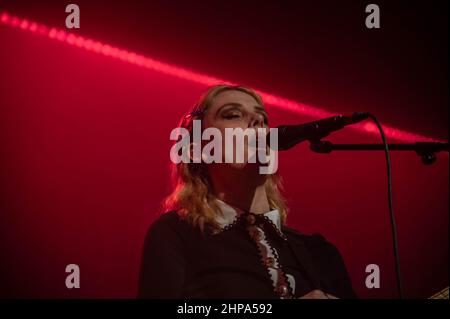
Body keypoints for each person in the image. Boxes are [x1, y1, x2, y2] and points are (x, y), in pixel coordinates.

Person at [137, 84, 356, 299]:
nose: (259, 122)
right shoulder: (176, 234)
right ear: (197, 150)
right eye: (233, 115)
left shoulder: (318, 252)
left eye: (264, 119)